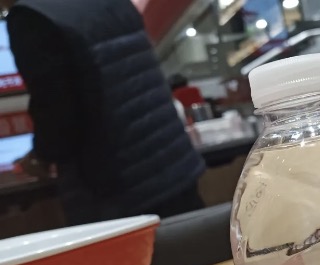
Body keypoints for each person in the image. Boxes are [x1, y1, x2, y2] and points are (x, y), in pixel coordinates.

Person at [3, 0, 206, 225]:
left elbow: (57, 116)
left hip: (117, 187)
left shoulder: (32, 17)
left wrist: (41, 157)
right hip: (173, 164)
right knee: (194, 243)